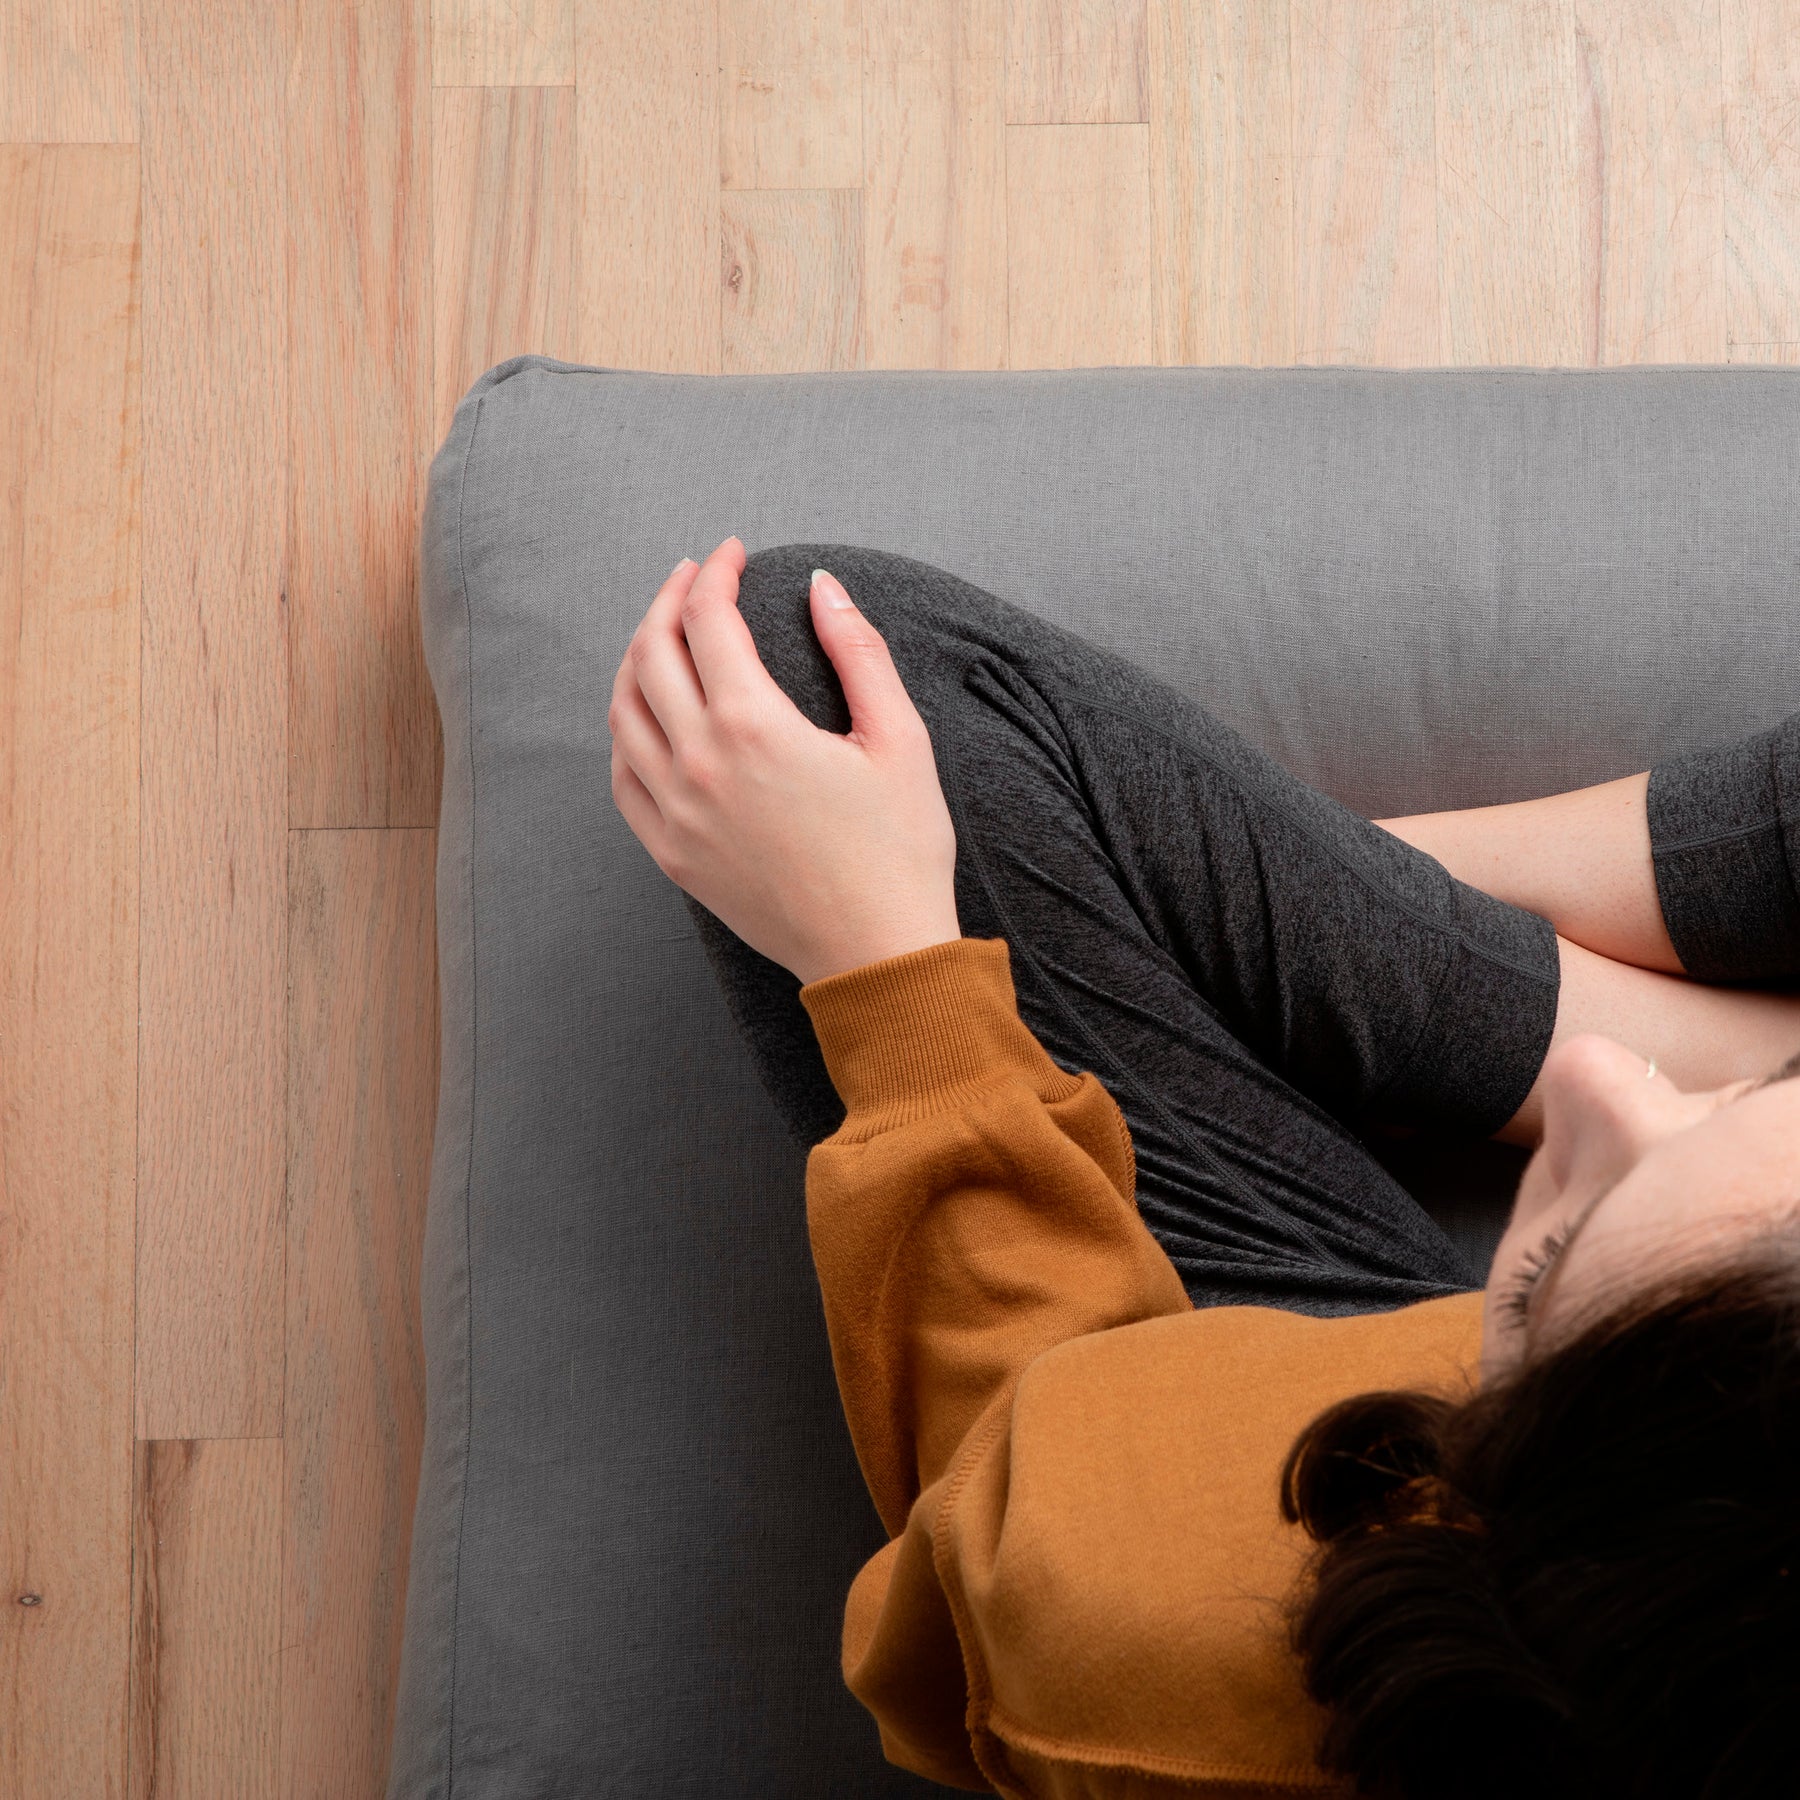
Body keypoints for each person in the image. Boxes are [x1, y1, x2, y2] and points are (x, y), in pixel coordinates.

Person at [608, 536, 1800, 1798]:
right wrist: (1318, 911)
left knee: (802, 678)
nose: (1596, 1085)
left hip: (1253, 1418)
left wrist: (887, 969)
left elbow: (1023, 1458)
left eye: (1546, 1261)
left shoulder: (1164, 1621)